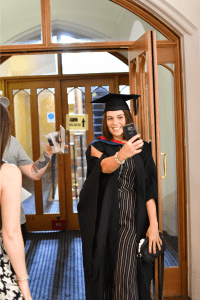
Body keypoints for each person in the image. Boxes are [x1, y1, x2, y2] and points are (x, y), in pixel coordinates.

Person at [78, 93, 162, 300]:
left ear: (127, 118)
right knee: (118, 270)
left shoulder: (142, 148)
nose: (115, 123)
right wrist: (122, 154)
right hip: (110, 218)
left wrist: (154, 226)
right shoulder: (98, 147)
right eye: (110, 118)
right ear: (105, 121)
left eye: (120, 117)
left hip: (138, 217)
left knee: (134, 272)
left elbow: (149, 190)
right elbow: (103, 168)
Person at [0, 96, 54, 245]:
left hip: (13, 220)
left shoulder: (11, 142)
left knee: (13, 266)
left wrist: (48, 153)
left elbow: (33, 172)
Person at [0, 102, 32, 299]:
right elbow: (10, 233)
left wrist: (48, 153)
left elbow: (34, 172)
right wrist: (24, 286)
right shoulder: (6, 171)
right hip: (8, 230)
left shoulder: (14, 143)